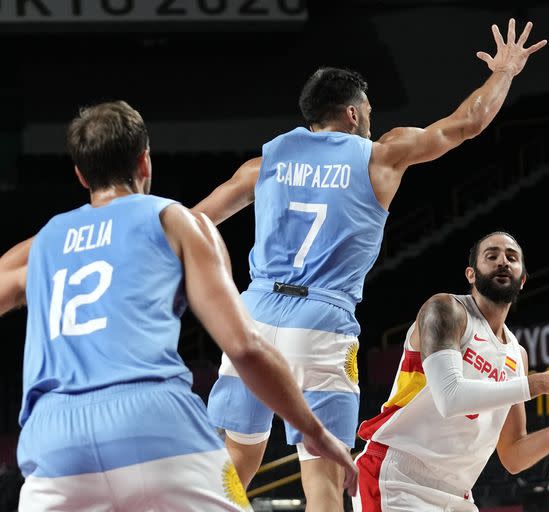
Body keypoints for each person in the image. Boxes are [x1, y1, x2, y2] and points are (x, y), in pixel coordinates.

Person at [194, 17, 548, 509]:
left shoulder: (265, 164)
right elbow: (466, 124)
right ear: (354, 114)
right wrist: (505, 72)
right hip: (319, 319)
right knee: (321, 470)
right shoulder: (378, 156)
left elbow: (192, 222)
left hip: (250, 316)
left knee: (238, 455)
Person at [0, 101, 356, 511]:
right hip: (150, 420)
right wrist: (313, 429)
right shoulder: (175, 221)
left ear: (80, 174)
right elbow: (244, 348)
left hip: (54, 441)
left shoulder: (47, 241)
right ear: (144, 161)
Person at [352, 231, 549, 511]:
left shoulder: (516, 355)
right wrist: (543, 383)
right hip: (398, 478)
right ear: (471, 274)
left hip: (458, 494)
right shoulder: (446, 310)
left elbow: (514, 455)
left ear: (522, 280)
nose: (503, 262)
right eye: (492, 256)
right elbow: (450, 397)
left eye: (512, 257)